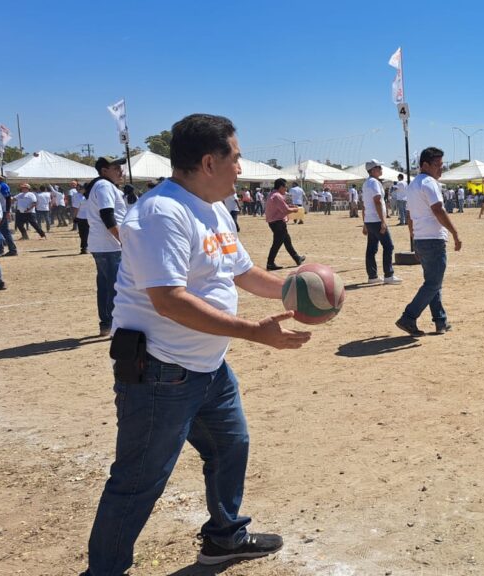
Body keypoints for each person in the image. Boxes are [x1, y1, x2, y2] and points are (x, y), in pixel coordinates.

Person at [80, 114, 311, 576]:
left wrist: (295, 288)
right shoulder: (159, 213)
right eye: (237, 157)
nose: (241, 168)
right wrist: (253, 332)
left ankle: (225, 538)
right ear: (210, 161)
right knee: (139, 481)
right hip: (159, 373)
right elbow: (169, 301)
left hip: (209, 368)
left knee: (230, 448)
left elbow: (242, 272)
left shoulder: (215, 208)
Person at [396, 147, 461, 336]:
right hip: (433, 240)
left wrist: (414, 240)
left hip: (422, 240)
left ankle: (440, 321)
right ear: (425, 165)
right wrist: (455, 233)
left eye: (442, 165)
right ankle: (408, 317)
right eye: (437, 165)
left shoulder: (413, 185)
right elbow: (439, 210)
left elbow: (409, 217)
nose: (441, 169)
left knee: (433, 282)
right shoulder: (429, 183)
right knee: (433, 284)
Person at [87, 157, 128, 336]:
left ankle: (106, 324)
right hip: (109, 245)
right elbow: (107, 215)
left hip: (103, 244)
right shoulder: (104, 186)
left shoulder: (102, 185)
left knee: (105, 284)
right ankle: (112, 324)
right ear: (104, 171)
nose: (120, 171)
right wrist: (122, 240)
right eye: (115, 168)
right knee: (114, 285)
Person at [361, 160, 402, 285]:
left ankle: (372, 276)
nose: (381, 169)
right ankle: (388, 275)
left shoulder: (366, 183)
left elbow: (364, 205)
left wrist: (364, 222)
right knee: (388, 246)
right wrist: (383, 221)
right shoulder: (374, 183)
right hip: (377, 220)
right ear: (373, 170)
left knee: (371, 249)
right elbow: (377, 201)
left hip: (369, 220)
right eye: (379, 167)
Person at [264, 179, 305, 270]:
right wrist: (295, 209)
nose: (286, 189)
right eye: (285, 187)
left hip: (275, 222)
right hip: (278, 222)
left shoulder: (273, 194)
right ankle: (270, 263)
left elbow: (282, 207)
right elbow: (285, 210)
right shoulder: (277, 196)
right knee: (277, 243)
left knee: (287, 241)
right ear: (281, 187)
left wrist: (291, 207)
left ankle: (297, 258)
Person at [74, 182, 90, 254]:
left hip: (81, 217)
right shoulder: (92, 196)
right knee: (87, 233)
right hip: (90, 217)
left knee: (83, 234)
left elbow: (76, 208)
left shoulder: (79, 196)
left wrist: (74, 217)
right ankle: (86, 247)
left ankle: (84, 248)